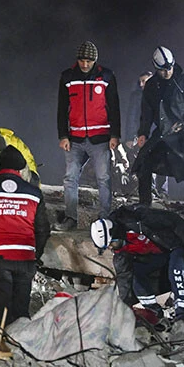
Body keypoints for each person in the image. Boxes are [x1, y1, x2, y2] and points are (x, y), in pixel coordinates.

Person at [0, 146, 51, 327]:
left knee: (3, 316)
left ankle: (3, 342)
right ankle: (19, 343)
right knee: (21, 314)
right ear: (21, 168)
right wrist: (34, 256)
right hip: (25, 258)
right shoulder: (34, 193)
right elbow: (43, 230)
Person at [91, 205, 184, 328]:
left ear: (116, 232)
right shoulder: (120, 252)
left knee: (176, 271)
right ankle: (154, 311)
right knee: (135, 273)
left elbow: (174, 221)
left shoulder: (140, 219)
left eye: (114, 243)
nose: (114, 248)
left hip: (173, 247)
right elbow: (124, 279)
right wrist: (124, 310)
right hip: (157, 256)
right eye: (110, 247)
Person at [56, 40, 122, 229]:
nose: (85, 64)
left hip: (100, 138)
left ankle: (105, 218)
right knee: (70, 178)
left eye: (89, 61)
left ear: (95, 61)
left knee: (104, 178)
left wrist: (115, 134)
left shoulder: (106, 76)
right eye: (82, 60)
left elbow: (114, 107)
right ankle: (71, 218)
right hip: (75, 139)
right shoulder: (67, 77)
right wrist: (63, 135)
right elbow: (62, 108)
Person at [132, 46, 184, 210]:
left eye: (169, 68)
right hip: (162, 134)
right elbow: (147, 112)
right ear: (156, 68)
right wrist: (143, 133)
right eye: (163, 70)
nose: (167, 72)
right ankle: (144, 204)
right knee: (144, 163)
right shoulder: (151, 85)